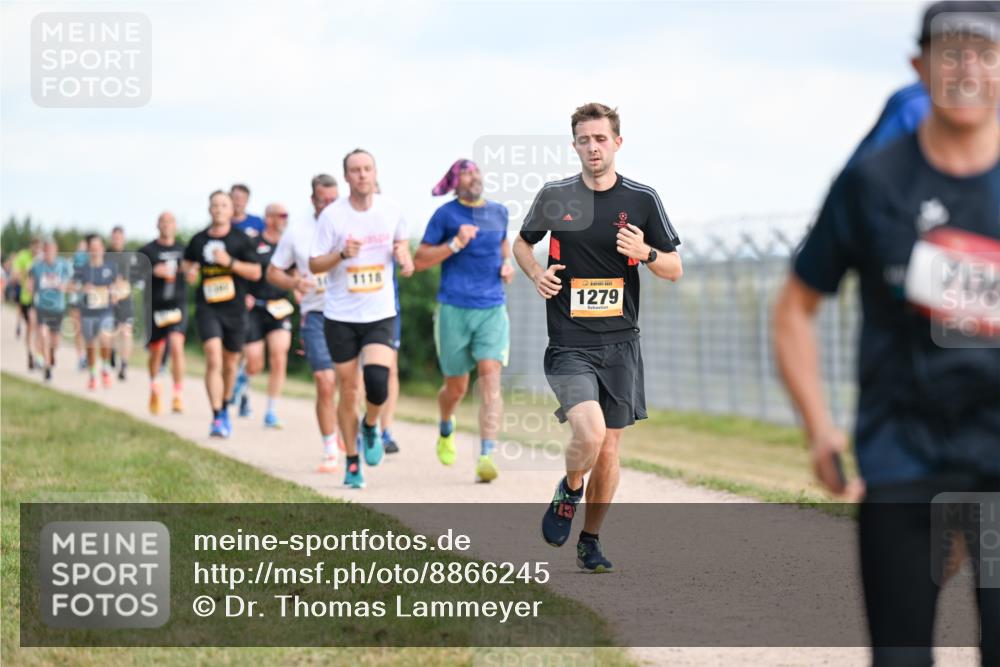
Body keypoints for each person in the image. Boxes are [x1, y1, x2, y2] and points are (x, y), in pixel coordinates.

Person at [774, 3, 1000, 664]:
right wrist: (819, 426)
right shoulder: (872, 185)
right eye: (950, 54)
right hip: (903, 457)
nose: (966, 70)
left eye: (984, 54)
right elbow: (795, 307)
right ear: (918, 67)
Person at [513, 103, 682, 572]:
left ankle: (590, 540)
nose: (593, 147)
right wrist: (535, 274)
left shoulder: (642, 199)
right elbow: (523, 242)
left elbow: (673, 269)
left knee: (609, 448)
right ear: (574, 145)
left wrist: (645, 251)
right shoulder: (556, 195)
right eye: (584, 140)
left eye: (601, 139)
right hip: (569, 342)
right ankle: (569, 489)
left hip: (621, 343)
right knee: (588, 434)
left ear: (617, 143)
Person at [309, 149, 414, 489]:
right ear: (346, 177)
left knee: (378, 381)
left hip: (380, 312)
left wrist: (404, 258)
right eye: (355, 170)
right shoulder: (333, 217)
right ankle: (352, 462)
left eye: (367, 169)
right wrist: (341, 254)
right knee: (348, 389)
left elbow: (406, 258)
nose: (362, 175)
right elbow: (314, 264)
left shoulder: (391, 210)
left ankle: (371, 425)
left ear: (375, 172)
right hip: (340, 315)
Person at [414, 159, 514, 483]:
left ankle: (486, 454)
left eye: (476, 172)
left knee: (489, 377)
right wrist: (455, 243)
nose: (474, 177)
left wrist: (507, 265)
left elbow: (503, 244)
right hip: (454, 307)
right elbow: (420, 260)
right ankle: (446, 426)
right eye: (467, 173)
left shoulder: (499, 211)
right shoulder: (446, 215)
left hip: (492, 307)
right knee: (455, 388)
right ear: (455, 183)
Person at [269, 174, 343, 471]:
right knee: (325, 383)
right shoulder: (297, 231)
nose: (328, 205)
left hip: (352, 313)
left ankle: (354, 430)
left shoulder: (352, 223)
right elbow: (273, 272)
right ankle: (330, 449)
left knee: (352, 384)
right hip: (316, 313)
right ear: (312, 199)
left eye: (333, 200)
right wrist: (293, 282)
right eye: (322, 200)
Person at [182, 190, 262, 438]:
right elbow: (187, 264)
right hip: (208, 307)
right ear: (209, 209)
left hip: (235, 309)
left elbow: (256, 272)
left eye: (223, 205)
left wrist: (230, 263)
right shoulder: (198, 240)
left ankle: (226, 404)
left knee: (230, 363)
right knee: (214, 359)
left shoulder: (241, 240)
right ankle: (217, 416)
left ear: (231, 210)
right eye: (215, 205)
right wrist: (190, 273)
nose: (218, 209)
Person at [244, 203, 294, 428]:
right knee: (255, 362)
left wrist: (299, 288)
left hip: (279, 307)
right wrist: (243, 294)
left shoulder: (289, 243)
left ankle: (271, 410)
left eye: (287, 215)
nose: (286, 219)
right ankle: (242, 381)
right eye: (282, 215)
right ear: (269, 218)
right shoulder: (253, 243)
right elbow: (242, 271)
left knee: (279, 354)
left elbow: (295, 272)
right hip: (255, 307)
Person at [138, 211, 190, 415]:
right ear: (157, 225)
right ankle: (155, 386)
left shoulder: (183, 250)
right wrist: (152, 271)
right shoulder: (147, 250)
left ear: (175, 226)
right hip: (155, 306)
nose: (167, 225)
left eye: (170, 222)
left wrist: (191, 273)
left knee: (177, 345)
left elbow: (192, 270)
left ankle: (178, 394)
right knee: (157, 351)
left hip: (177, 304)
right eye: (163, 222)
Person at [75, 234, 120, 390]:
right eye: (92, 248)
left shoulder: (111, 267)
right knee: (90, 346)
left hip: (105, 311)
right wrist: (82, 288)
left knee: (105, 340)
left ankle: (106, 369)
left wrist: (114, 293)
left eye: (98, 247)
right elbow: (70, 286)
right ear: (88, 250)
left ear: (102, 248)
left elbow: (118, 285)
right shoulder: (83, 269)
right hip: (88, 312)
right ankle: (93, 374)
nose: (95, 251)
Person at [28, 238, 73, 382]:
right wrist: (30, 288)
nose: (48, 253)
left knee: (56, 340)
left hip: (58, 307)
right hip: (42, 306)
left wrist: (64, 287)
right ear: (44, 251)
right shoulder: (37, 265)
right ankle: (47, 367)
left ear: (56, 250)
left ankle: (52, 354)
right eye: (46, 250)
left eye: (51, 250)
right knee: (43, 333)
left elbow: (70, 283)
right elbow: (30, 282)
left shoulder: (63, 265)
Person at [108, 225, 142, 381]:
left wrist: (125, 282)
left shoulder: (130, 256)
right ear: (111, 239)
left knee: (126, 331)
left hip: (126, 299)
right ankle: (112, 352)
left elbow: (137, 276)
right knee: (112, 332)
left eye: (119, 237)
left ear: (123, 239)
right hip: (108, 300)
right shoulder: (105, 256)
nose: (117, 240)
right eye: (114, 237)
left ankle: (124, 364)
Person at [12, 238, 41, 369]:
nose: (36, 250)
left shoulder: (42, 259)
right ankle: (31, 353)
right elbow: (15, 274)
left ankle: (37, 355)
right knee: (31, 327)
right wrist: (26, 276)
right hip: (26, 298)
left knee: (36, 327)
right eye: (35, 247)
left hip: (40, 299)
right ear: (31, 246)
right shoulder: (23, 256)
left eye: (38, 247)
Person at [70, 239, 89, 370]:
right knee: (78, 330)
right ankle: (81, 357)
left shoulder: (91, 265)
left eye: (84, 248)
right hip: (75, 300)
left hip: (88, 301)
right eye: (79, 248)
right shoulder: (70, 264)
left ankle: (88, 355)